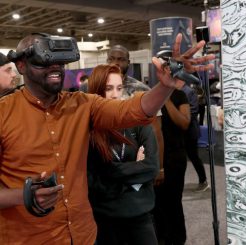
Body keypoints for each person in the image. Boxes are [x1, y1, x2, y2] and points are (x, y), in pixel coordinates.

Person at [0, 32, 214, 244]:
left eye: (59, 62)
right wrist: (23, 196)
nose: (55, 68)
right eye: (43, 62)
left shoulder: (82, 104)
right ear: (21, 65)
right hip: (28, 237)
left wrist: (166, 84)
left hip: (83, 235)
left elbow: (133, 110)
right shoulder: (3, 113)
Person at [87, 64, 159, 245]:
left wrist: (110, 173)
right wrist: (135, 170)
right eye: (108, 89)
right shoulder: (88, 131)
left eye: (119, 88)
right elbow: (92, 181)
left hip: (140, 214)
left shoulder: (137, 122)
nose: (115, 95)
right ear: (96, 90)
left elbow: (151, 167)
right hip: (105, 219)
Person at [107, 45, 164, 185]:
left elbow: (156, 131)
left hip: (136, 162)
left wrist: (160, 167)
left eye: (121, 59)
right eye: (112, 59)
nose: (116, 63)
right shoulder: (94, 89)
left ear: (128, 63)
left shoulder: (142, 90)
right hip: (104, 163)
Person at [160, 88, 190, 245]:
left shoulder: (179, 95)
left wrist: (166, 99)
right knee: (158, 203)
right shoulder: (152, 94)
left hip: (175, 157)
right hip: (157, 158)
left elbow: (184, 123)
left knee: (173, 201)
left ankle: (178, 239)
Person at [175, 79, 209, 192]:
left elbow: (194, 110)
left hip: (190, 131)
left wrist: (179, 113)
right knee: (181, 158)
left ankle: (203, 181)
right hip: (180, 131)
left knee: (194, 156)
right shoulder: (176, 90)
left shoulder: (189, 91)